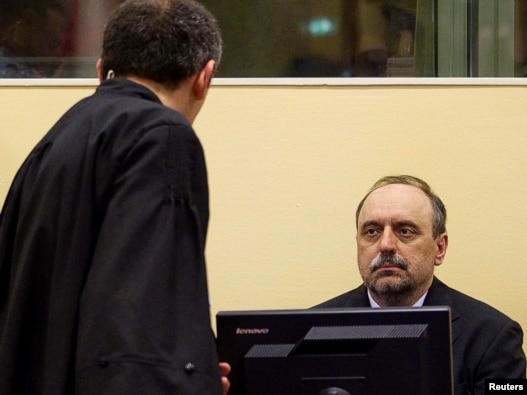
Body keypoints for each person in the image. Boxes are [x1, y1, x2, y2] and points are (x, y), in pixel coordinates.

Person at [0, 0, 230, 393]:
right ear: (204, 77)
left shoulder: (58, 140)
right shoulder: (162, 136)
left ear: (101, 70)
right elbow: (141, 322)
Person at [314, 175, 526, 394]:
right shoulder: (312, 330)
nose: (385, 244)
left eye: (405, 231)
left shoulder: (493, 337)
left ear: (440, 248)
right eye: (372, 231)